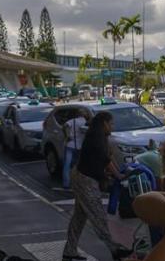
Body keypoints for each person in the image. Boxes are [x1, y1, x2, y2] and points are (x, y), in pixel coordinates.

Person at [62, 112, 132, 261]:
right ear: (104, 123)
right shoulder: (96, 137)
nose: (112, 126)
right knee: (98, 215)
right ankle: (115, 249)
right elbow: (105, 159)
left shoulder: (98, 136)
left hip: (82, 177)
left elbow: (108, 158)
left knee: (79, 218)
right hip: (85, 179)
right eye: (111, 123)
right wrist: (118, 175)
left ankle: (69, 251)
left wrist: (116, 173)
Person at [62, 110, 91, 190]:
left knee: (67, 165)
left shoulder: (72, 121)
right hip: (80, 146)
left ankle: (66, 183)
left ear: (77, 115)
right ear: (85, 116)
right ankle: (79, 182)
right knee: (79, 165)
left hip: (70, 145)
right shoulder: (86, 122)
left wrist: (67, 136)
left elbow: (64, 126)